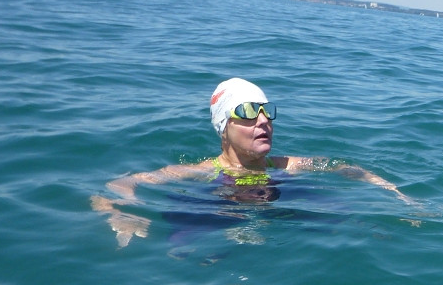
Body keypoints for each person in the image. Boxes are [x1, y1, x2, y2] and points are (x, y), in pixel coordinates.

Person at [91, 78, 414, 246]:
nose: (262, 121)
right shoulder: (201, 171)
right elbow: (119, 184)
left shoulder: (286, 166)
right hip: (216, 212)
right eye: (247, 112)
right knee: (185, 241)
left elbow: (346, 168)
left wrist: (397, 194)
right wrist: (122, 213)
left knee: (346, 218)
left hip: (278, 220)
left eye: (266, 111)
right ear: (224, 127)